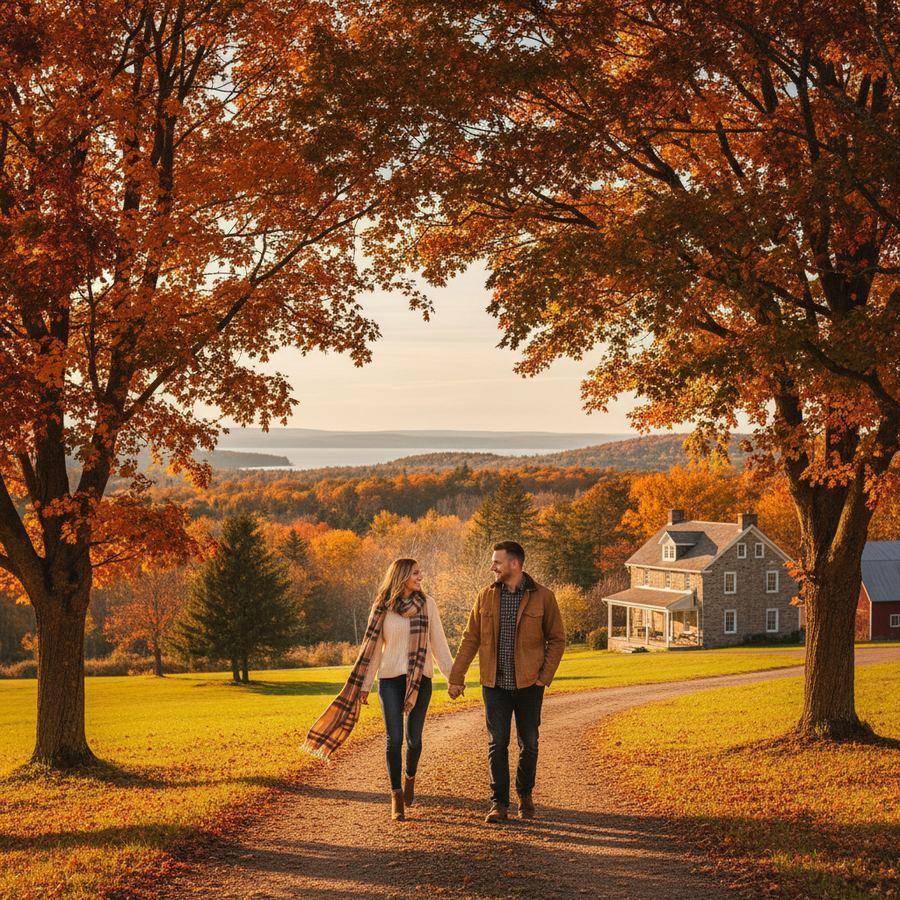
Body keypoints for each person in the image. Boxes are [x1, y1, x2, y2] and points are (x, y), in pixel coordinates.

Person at [303, 558, 454, 821]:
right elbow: (372, 650)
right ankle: (396, 796)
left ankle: (410, 778)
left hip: (420, 681)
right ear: (403, 576)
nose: (421, 577)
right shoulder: (382, 607)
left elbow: (439, 643)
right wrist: (364, 685)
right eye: (416, 573)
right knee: (394, 739)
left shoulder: (428, 604)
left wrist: (454, 677)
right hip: (390, 682)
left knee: (414, 740)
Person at [448, 540, 565, 823]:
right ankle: (498, 804)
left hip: (529, 686)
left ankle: (525, 795)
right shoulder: (486, 596)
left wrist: (543, 677)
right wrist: (456, 677)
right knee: (496, 744)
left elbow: (558, 639)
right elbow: (470, 638)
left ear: (515, 564)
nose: (493, 567)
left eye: (497, 562)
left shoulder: (543, 597)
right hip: (494, 685)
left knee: (530, 744)